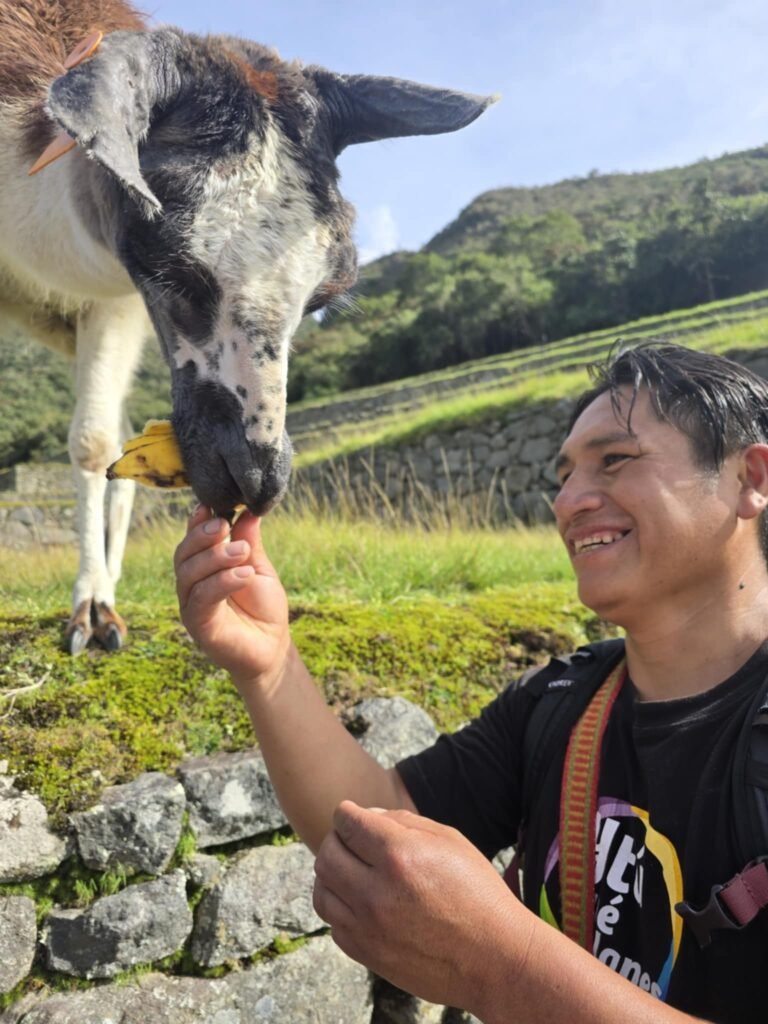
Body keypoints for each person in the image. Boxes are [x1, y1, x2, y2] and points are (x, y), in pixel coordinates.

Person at [174, 343, 768, 1024]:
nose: (568, 501)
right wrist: (268, 663)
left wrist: (501, 967)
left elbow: (499, 961)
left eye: (615, 459)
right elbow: (379, 814)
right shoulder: (561, 704)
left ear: (750, 478)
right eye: (564, 475)